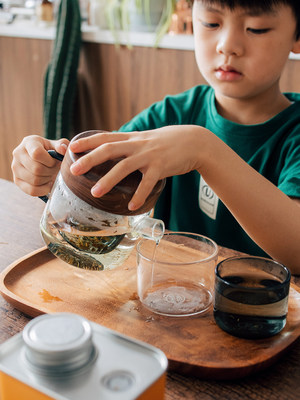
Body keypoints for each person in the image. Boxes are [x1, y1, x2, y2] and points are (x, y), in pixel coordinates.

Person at [11, 0, 300, 274]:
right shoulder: (171, 114)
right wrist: (55, 176)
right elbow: (102, 180)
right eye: (211, 23)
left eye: (256, 28)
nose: (228, 46)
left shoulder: (293, 133)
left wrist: (206, 151)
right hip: (166, 295)